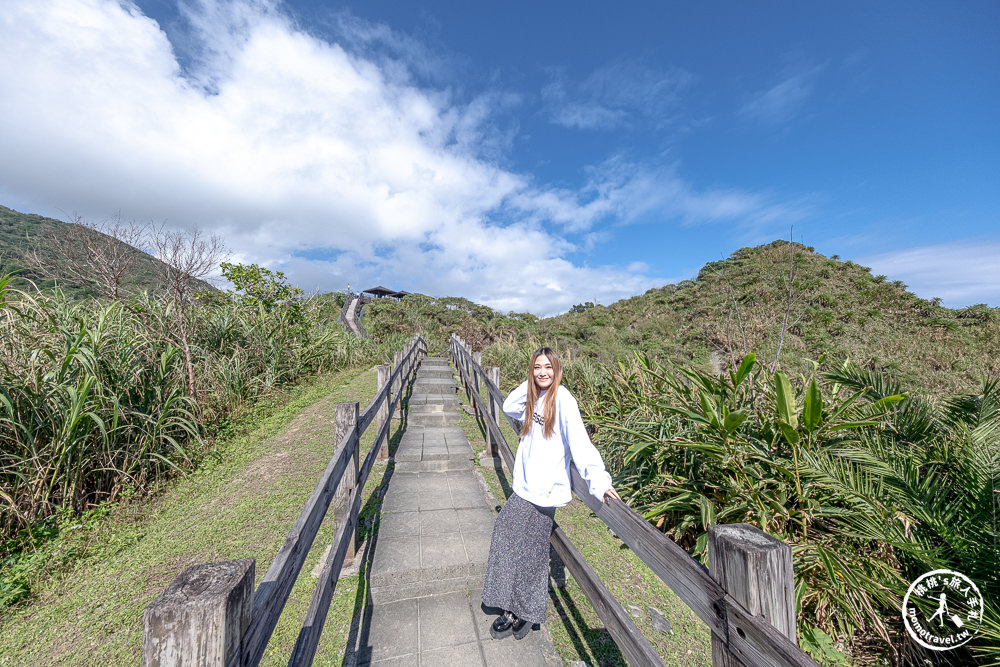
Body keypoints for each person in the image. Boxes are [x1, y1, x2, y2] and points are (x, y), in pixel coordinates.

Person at [481, 346, 620, 640]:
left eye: (548, 367)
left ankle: (521, 613)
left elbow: (582, 446)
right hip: (525, 486)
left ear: (557, 369)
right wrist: (532, 384)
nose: (542, 372)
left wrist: (598, 480)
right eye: (537, 367)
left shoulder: (564, 401)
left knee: (530, 554)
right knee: (507, 539)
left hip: (544, 492)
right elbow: (508, 406)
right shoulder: (536, 396)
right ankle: (515, 607)